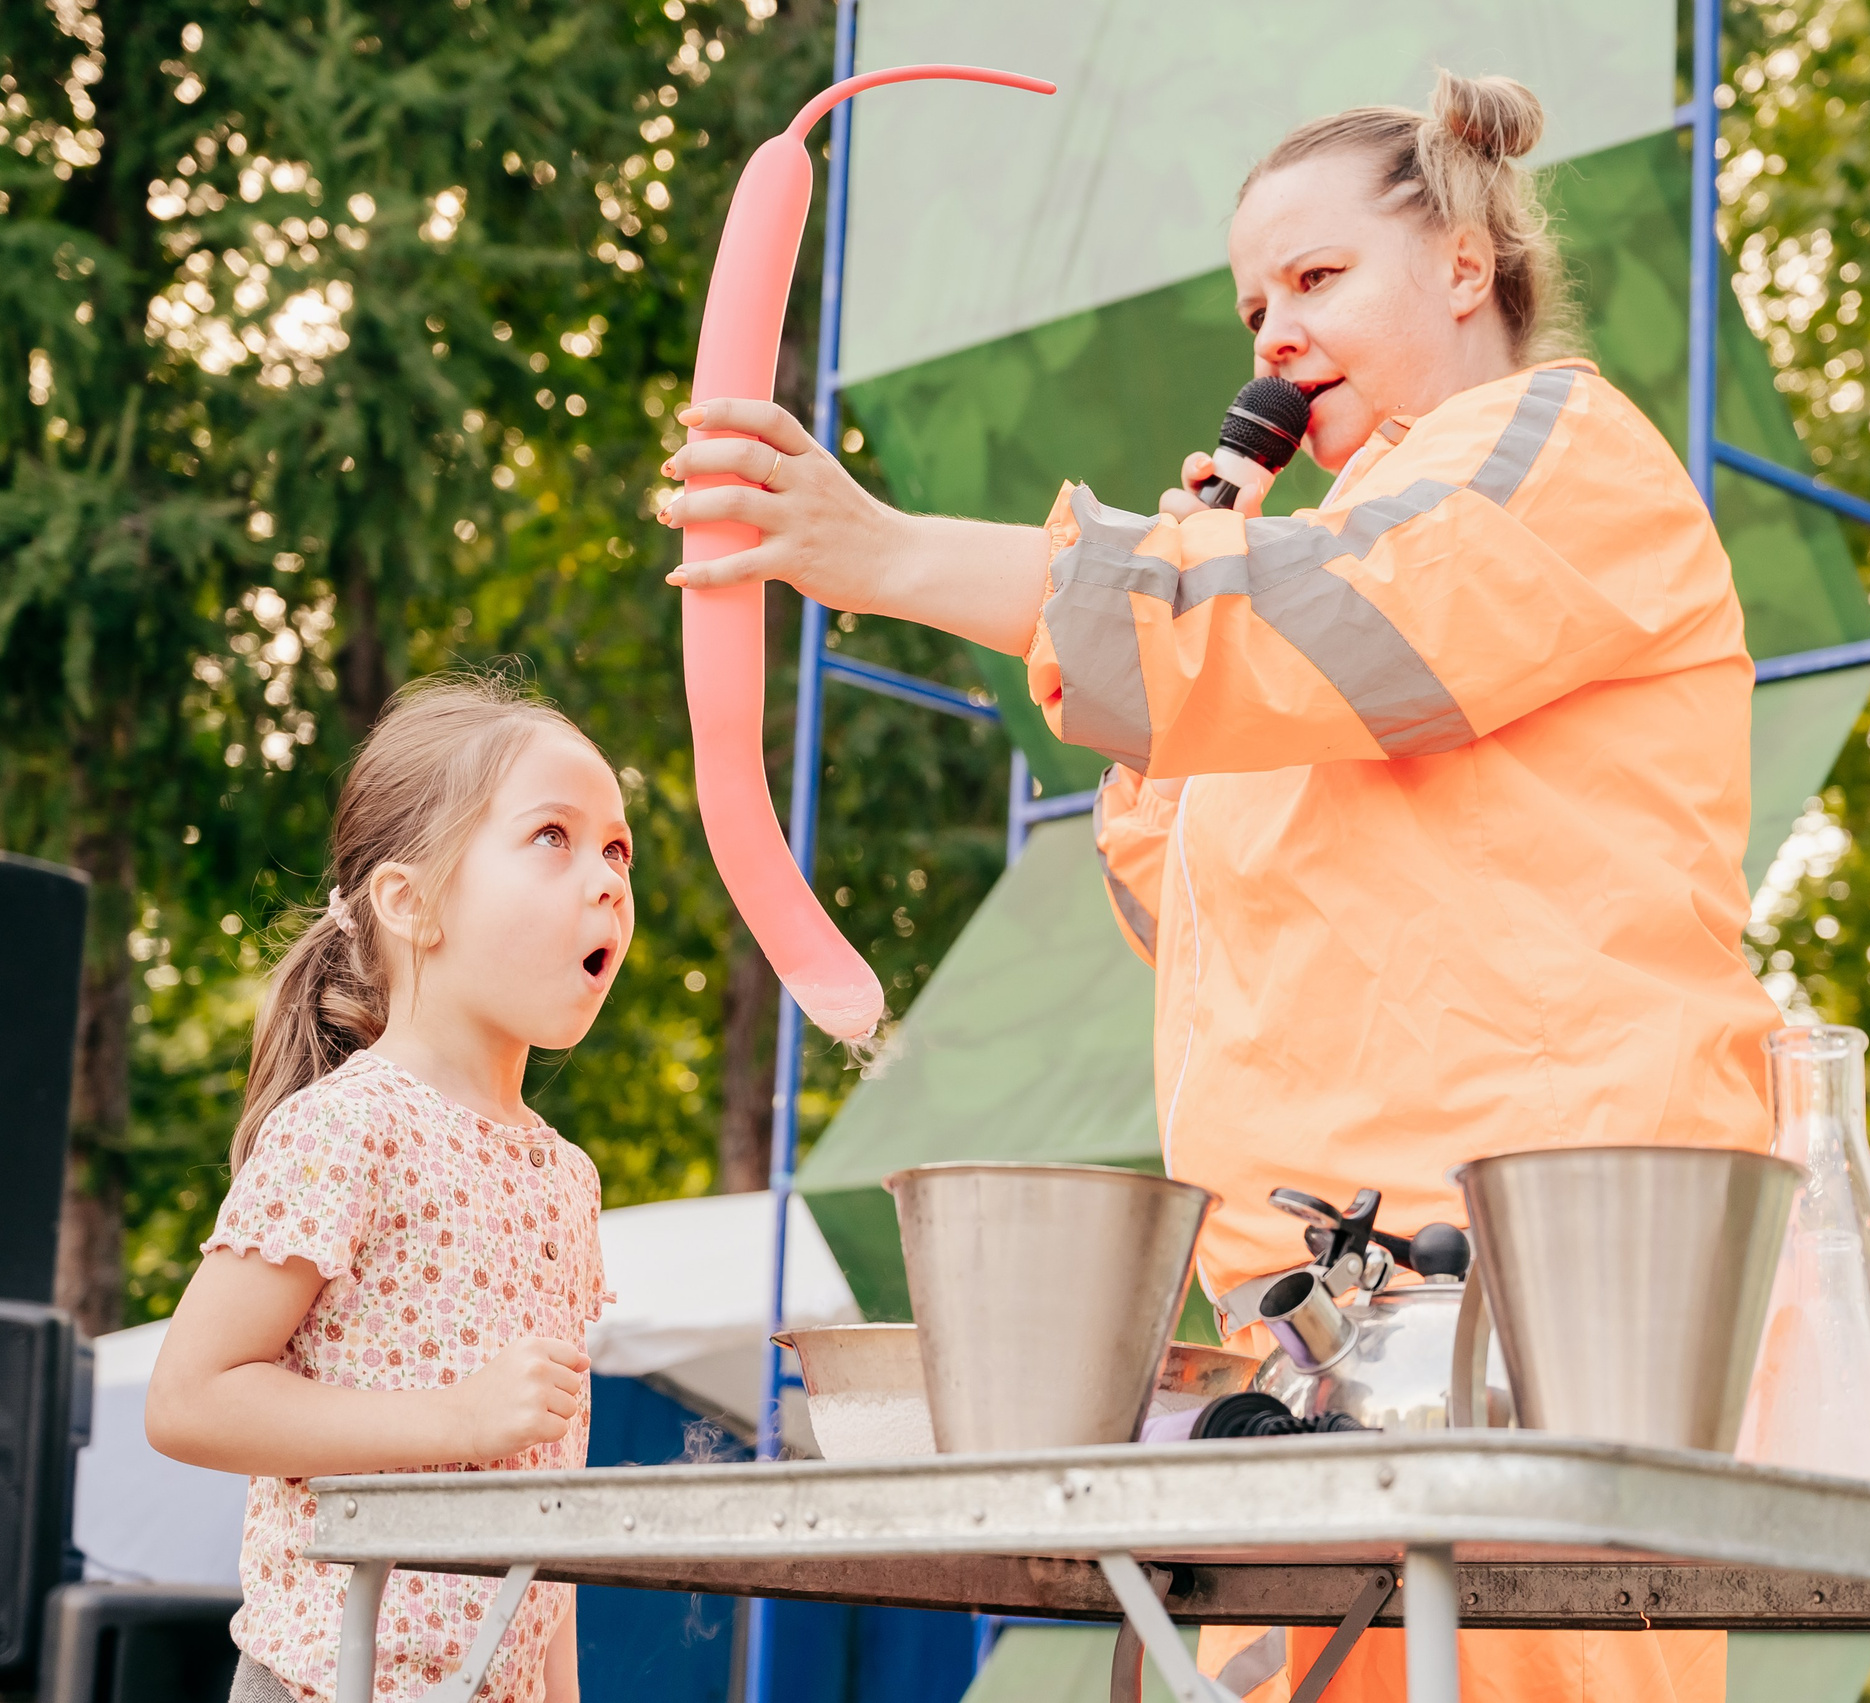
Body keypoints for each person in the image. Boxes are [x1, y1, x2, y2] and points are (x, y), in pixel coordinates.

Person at [663, 69, 1767, 1703]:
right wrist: (1169, 679)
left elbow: (1313, 615)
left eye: (1316, 280)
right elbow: (1197, 905)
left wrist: (888, 553)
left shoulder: (1549, 454)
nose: (1273, 335)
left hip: (1516, 1286)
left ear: (1467, 260)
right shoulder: (1313, 568)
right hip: (1309, 1321)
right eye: (1256, 305)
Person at [147, 675, 630, 1703]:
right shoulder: (344, 1127)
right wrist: (456, 1417)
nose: (607, 879)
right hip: (331, 1680)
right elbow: (190, 1397)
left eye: (617, 847)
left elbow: (549, 1501)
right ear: (410, 903)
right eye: (554, 835)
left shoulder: (567, 1179)